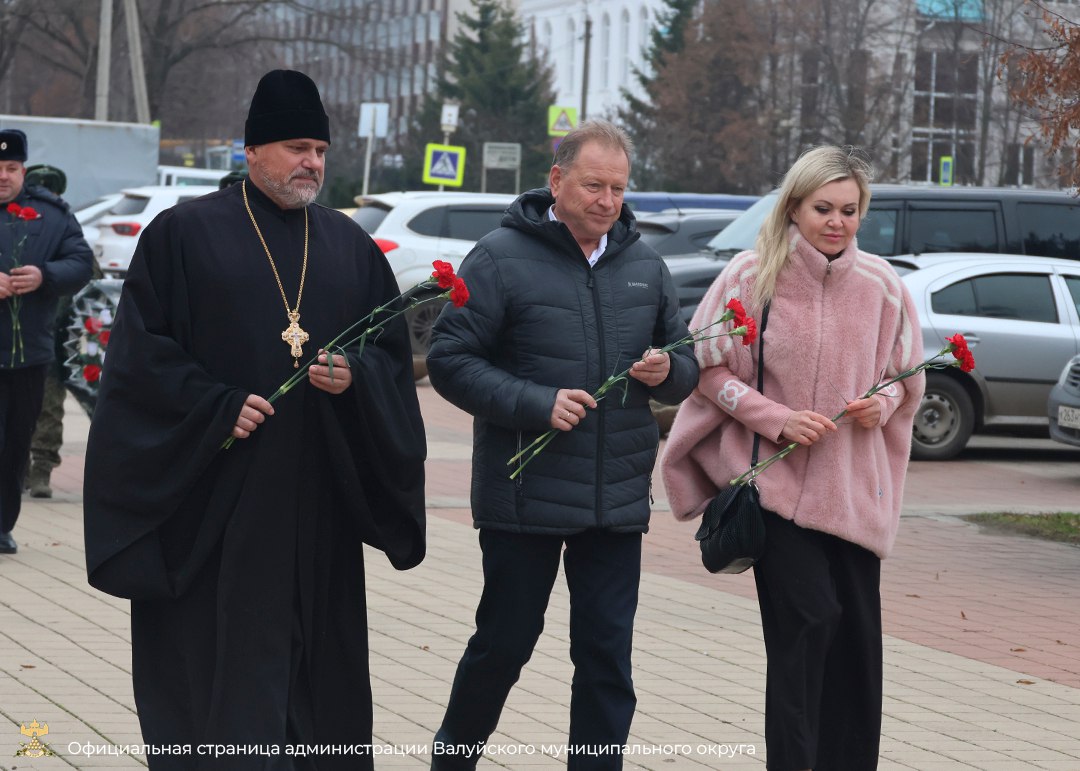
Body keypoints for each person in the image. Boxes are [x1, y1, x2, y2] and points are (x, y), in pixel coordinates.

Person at [83, 70, 426, 768]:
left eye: (321, 150)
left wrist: (354, 378)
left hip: (316, 512)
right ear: (252, 151)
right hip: (214, 508)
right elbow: (139, 363)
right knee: (220, 690)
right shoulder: (183, 236)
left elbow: (388, 358)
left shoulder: (349, 247)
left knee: (315, 696)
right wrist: (215, 407)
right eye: (298, 146)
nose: (313, 163)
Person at [426, 119, 699, 769]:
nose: (607, 201)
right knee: (504, 644)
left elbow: (686, 360)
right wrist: (534, 402)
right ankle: (451, 760)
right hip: (525, 495)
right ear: (557, 181)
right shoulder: (498, 256)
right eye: (593, 185)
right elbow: (449, 358)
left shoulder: (645, 264)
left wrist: (671, 371)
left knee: (606, 657)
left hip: (614, 499)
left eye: (618, 188)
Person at [662, 146, 925, 770]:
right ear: (794, 207)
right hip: (775, 496)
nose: (837, 222)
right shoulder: (751, 278)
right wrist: (775, 420)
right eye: (823, 208)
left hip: (855, 497)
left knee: (858, 651)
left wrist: (881, 404)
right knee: (807, 626)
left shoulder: (884, 286)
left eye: (850, 210)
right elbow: (707, 368)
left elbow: (907, 375)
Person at [0, 131, 93, 552]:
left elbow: (80, 262)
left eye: (11, 169)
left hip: (29, 355)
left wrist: (44, 277)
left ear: (22, 169)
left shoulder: (51, 215)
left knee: (17, 441)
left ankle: (2, 526)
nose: (4, 177)